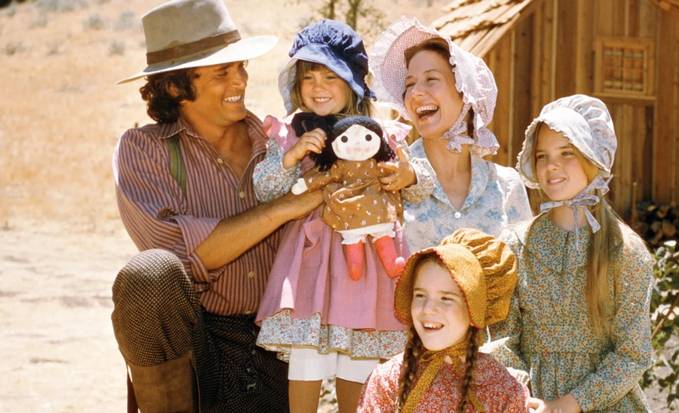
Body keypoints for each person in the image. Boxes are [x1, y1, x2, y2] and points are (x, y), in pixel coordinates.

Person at [111, 0, 321, 411]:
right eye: (222, 72)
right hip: (196, 343)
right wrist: (284, 208)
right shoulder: (143, 150)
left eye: (241, 66)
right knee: (148, 275)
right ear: (175, 87)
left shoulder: (282, 144)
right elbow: (176, 253)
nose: (240, 80)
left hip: (281, 341)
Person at [252, 20, 418, 413]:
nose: (318, 86)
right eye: (308, 76)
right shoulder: (292, 132)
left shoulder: (378, 134)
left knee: (358, 357)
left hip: (368, 266)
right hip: (312, 263)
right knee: (307, 355)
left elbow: (416, 183)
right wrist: (292, 159)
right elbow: (265, 191)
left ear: (354, 81)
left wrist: (409, 175)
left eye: (330, 74)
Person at [488, 95, 655, 412]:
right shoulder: (515, 245)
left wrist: (569, 404)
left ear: (593, 158)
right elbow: (502, 339)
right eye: (542, 156)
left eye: (567, 153)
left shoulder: (624, 250)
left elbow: (633, 353)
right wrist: (526, 397)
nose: (552, 166)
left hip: (608, 403)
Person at [370, 17, 533, 252]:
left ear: (465, 93)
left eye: (431, 79)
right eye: (410, 84)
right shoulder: (392, 176)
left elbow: (522, 278)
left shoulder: (506, 187)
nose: (415, 93)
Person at [358, 228, 529, 412]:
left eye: (446, 298)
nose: (428, 308)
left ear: (474, 309)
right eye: (420, 295)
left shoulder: (502, 388)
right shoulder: (389, 379)